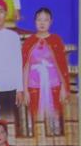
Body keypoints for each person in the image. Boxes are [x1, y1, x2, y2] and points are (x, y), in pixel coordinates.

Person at [21, 7, 71, 138]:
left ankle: (56, 140)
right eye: (39, 20)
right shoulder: (28, 43)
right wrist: (25, 90)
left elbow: (62, 66)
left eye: (45, 20)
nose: (42, 23)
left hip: (54, 84)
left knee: (55, 117)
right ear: (34, 22)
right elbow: (25, 67)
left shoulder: (56, 41)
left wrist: (63, 87)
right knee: (35, 117)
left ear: (51, 22)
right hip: (34, 85)